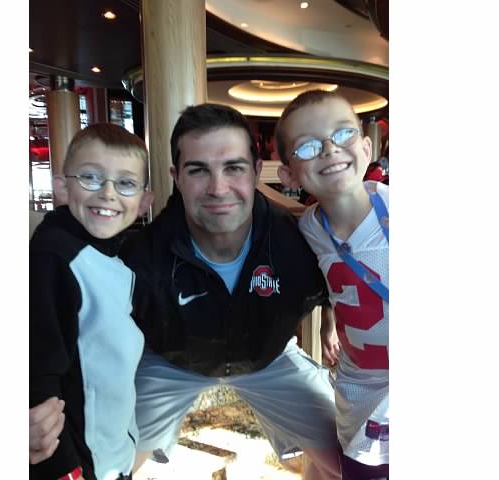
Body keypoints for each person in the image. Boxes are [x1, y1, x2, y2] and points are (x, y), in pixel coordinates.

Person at [32, 104, 343, 479]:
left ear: (256, 171)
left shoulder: (296, 242)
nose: (218, 188)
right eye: (198, 170)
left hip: (269, 359)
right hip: (172, 363)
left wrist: (330, 321)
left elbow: (337, 285)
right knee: (112, 465)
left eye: (234, 168)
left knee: (348, 459)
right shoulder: (141, 256)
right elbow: (60, 328)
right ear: (176, 177)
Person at [30, 123, 153, 480]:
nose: (108, 193)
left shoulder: (111, 257)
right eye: (90, 178)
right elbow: (38, 371)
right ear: (61, 187)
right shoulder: (55, 256)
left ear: (144, 201)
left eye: (125, 183)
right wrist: (65, 469)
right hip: (81, 465)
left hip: (111, 457)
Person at [275, 90, 389, 479]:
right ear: (288, 175)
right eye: (308, 146)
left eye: (342, 134)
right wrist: (327, 324)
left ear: (367, 147)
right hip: (360, 400)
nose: (329, 148)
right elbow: (331, 283)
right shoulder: (308, 229)